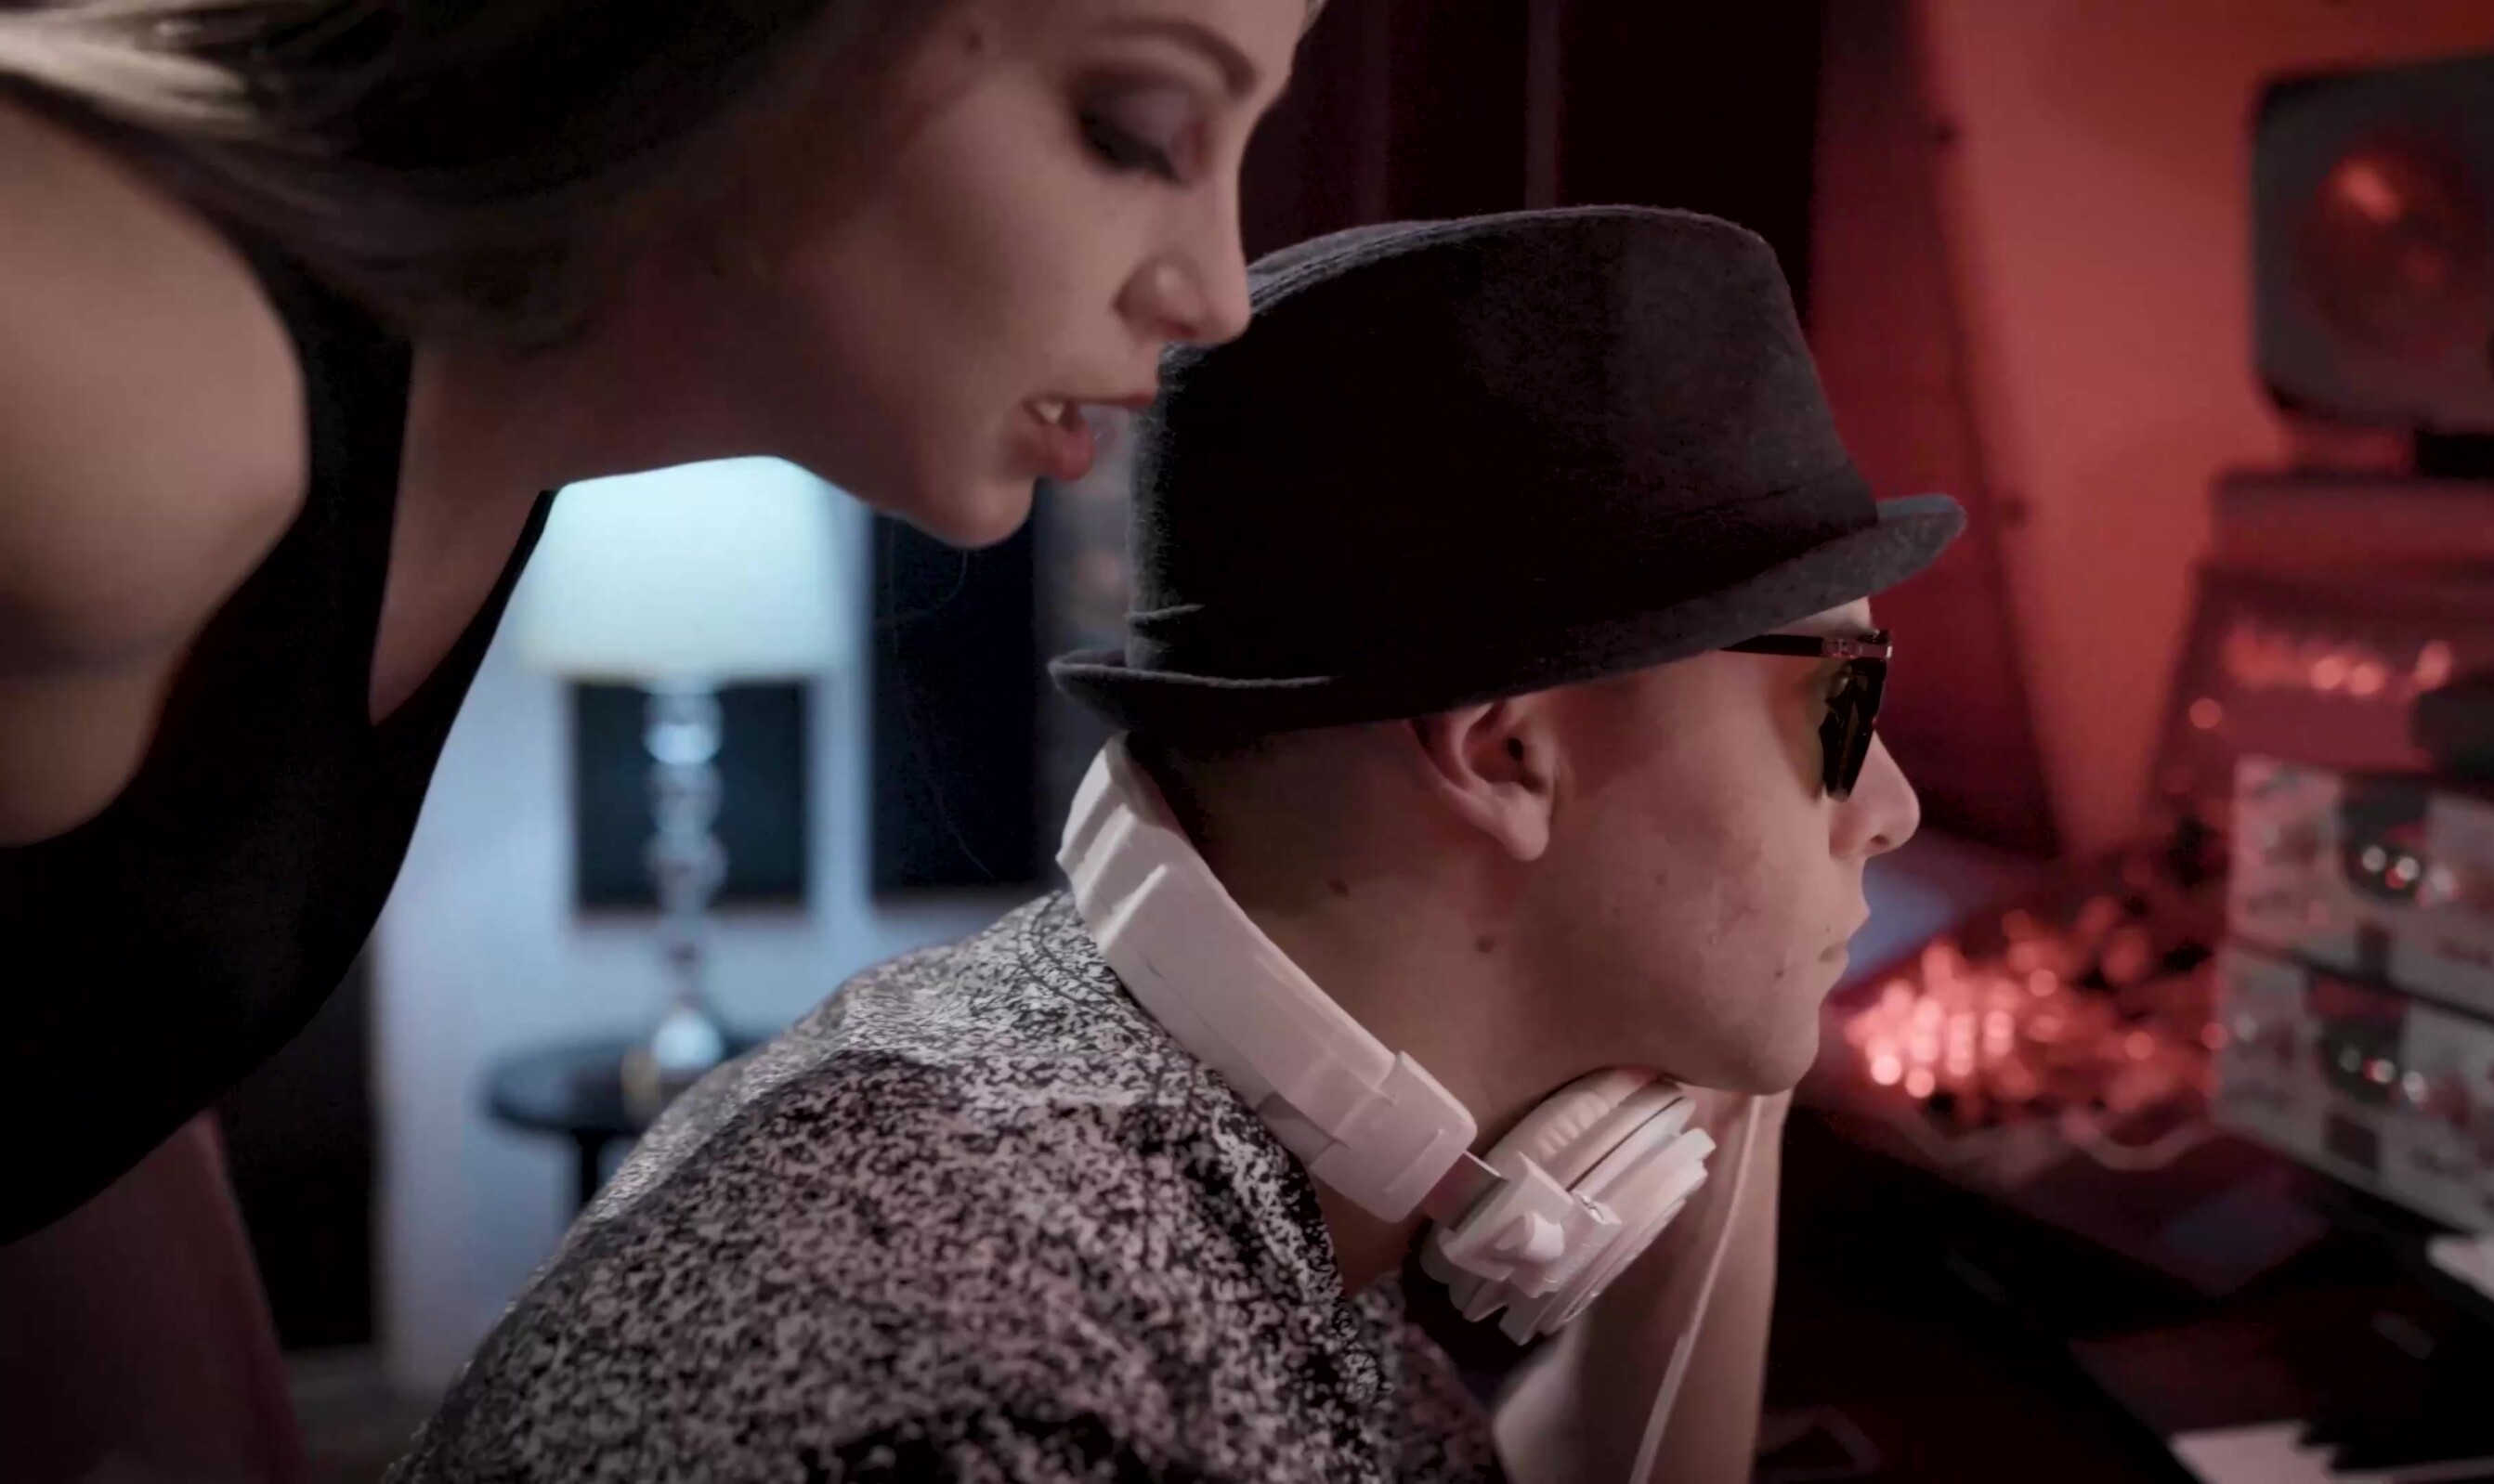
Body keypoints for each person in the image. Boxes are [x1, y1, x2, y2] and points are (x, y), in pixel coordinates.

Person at [391, 206, 1960, 1484]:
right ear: (1506, 750)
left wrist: (1717, 1085)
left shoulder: (1132, 1114)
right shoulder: (1002, 1389)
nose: (1888, 804)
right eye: (1841, 699)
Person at [0, 1, 1304, 1477]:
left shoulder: (455, 454)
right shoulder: (157, 379)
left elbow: (80, 1014)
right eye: (1133, 129)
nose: (1219, 294)